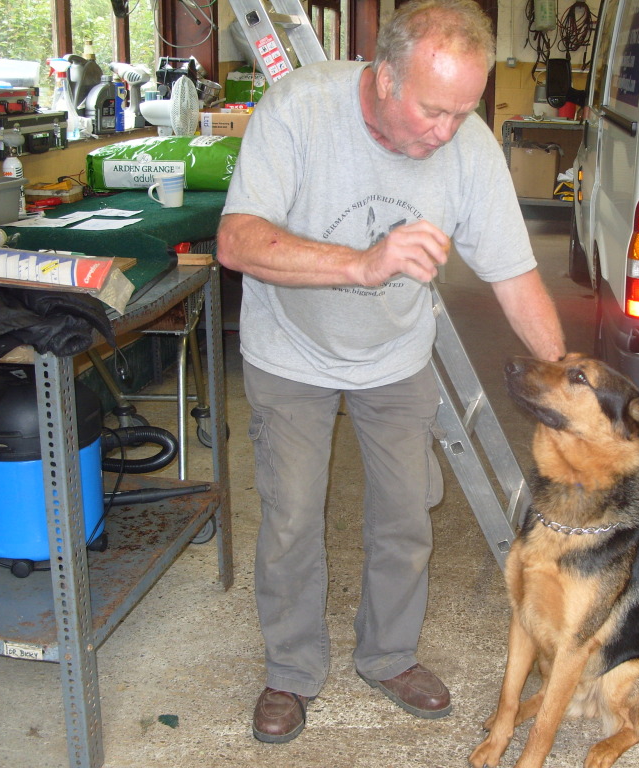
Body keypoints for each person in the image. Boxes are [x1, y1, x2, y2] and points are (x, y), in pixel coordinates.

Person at [216, 0, 566, 744]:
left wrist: (568, 379)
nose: (447, 131)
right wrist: (364, 264)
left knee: (406, 518)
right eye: (434, 110)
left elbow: (515, 279)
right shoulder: (298, 110)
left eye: (463, 111)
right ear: (381, 78)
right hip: (290, 351)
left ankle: (388, 655)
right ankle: (291, 670)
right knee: (290, 519)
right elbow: (238, 241)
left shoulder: (468, 147)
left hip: (396, 355)